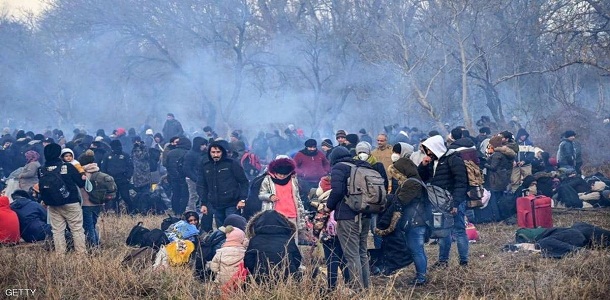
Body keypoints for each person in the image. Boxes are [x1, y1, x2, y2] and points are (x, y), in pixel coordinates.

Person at [417, 135, 469, 267]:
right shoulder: (432, 162)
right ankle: (443, 261)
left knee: (459, 230)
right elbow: (422, 178)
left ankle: (463, 261)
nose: (428, 153)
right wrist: (423, 166)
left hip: (454, 200)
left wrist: (456, 203)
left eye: (430, 149)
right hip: (439, 203)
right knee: (443, 231)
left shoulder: (453, 160)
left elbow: (461, 182)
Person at [324, 146, 371, 289]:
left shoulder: (339, 168)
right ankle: (366, 287)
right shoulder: (362, 165)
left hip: (347, 215)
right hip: (366, 213)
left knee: (351, 254)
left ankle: (357, 289)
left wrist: (328, 207)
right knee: (362, 251)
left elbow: (337, 191)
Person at [386, 154, 429, 285]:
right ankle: (422, 275)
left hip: (415, 222)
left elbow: (401, 200)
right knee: (418, 249)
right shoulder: (416, 180)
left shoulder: (411, 183)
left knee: (416, 249)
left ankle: (421, 278)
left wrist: (389, 199)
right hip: (418, 220)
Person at [39, 143, 87, 254]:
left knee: (57, 231)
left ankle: (60, 256)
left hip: (52, 204)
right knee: (77, 229)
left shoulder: (41, 170)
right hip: (71, 203)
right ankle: (81, 256)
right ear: (59, 154)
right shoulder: (67, 167)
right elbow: (81, 183)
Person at [197, 141, 249, 227]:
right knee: (221, 230)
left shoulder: (232, 163)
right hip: (216, 205)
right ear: (209, 152)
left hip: (232, 203)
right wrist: (203, 203)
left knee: (233, 228)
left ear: (223, 152)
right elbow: (203, 185)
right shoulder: (206, 166)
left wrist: (242, 199)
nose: (215, 155)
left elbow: (244, 182)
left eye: (218, 152)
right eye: (213, 152)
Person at [244, 210, 302, 282]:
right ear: (283, 223)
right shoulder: (288, 240)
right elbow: (297, 259)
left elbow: (248, 262)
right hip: (287, 280)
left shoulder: (255, 240)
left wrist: (256, 271)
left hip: (261, 280)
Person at [259, 157, 307, 234]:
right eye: (279, 174)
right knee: (276, 237)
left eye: (285, 174)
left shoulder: (293, 179)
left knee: (292, 238)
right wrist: (269, 196)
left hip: (292, 213)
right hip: (275, 214)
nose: (282, 176)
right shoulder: (268, 179)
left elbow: (297, 196)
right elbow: (261, 194)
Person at [293, 139, 330, 209]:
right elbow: (294, 166)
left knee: (319, 197)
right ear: (306, 147)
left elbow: (326, 163)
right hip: (306, 181)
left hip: (320, 180)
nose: (312, 149)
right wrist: (302, 173)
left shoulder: (319, 154)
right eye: (310, 147)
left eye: (314, 147)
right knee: (307, 198)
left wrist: (325, 171)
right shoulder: (300, 154)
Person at [78, 150, 104, 247]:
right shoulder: (97, 171)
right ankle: (97, 244)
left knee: (88, 227)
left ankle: (93, 247)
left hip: (86, 203)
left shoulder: (83, 174)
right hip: (97, 203)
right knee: (92, 225)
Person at [101, 140, 134, 214]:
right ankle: (116, 212)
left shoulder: (125, 155)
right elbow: (103, 167)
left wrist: (128, 177)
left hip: (123, 180)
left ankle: (131, 211)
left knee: (125, 197)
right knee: (113, 198)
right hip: (111, 180)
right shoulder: (107, 156)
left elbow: (130, 167)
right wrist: (106, 178)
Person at [166, 137, 192, 216]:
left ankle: (175, 211)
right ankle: (181, 211)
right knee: (184, 195)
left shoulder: (170, 153)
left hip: (173, 177)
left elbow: (167, 165)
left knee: (175, 194)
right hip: (183, 177)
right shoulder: (187, 153)